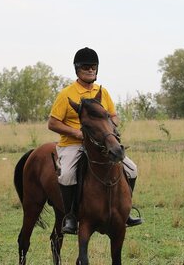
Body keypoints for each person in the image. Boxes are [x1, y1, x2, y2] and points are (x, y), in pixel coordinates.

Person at [48, 47, 142, 234]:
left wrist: (110, 128)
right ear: (77, 69)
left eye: (93, 67)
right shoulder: (66, 94)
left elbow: (114, 116)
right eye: (86, 67)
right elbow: (52, 123)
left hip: (101, 144)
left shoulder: (102, 92)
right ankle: (71, 217)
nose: (90, 70)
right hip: (73, 144)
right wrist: (77, 133)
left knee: (132, 169)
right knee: (66, 175)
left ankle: (126, 211)